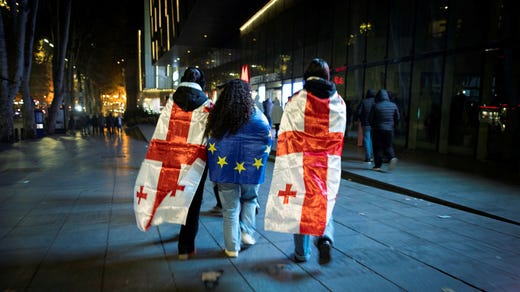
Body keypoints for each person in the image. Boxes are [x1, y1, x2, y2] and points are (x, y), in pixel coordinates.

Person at [264, 58, 346, 265]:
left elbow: (286, 135)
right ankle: (325, 237)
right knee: (323, 201)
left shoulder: (295, 102)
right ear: (327, 76)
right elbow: (338, 136)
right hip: (326, 164)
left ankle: (302, 253)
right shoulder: (339, 103)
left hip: (299, 163)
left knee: (298, 205)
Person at [132, 67, 212, 261]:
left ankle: (176, 228)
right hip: (196, 160)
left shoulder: (171, 102)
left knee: (171, 193)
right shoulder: (208, 105)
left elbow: (162, 131)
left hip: (170, 158)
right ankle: (185, 247)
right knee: (193, 200)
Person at [205, 79, 272, 258]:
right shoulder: (257, 115)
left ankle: (231, 248)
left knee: (230, 209)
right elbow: (267, 137)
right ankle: (246, 230)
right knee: (250, 198)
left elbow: (210, 141)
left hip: (224, 171)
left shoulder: (217, 118)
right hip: (251, 169)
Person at [368, 89, 400, 172]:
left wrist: (373, 125)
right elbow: (397, 118)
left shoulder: (376, 106)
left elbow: (370, 118)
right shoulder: (393, 105)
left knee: (377, 147)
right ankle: (392, 157)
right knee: (388, 145)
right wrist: (393, 125)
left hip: (377, 129)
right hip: (389, 130)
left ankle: (378, 165)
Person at [356, 89, 377, 162]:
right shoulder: (376, 101)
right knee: (372, 140)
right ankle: (372, 155)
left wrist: (360, 118)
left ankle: (368, 157)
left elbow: (359, 112)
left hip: (366, 123)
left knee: (367, 139)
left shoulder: (364, 101)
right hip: (375, 124)